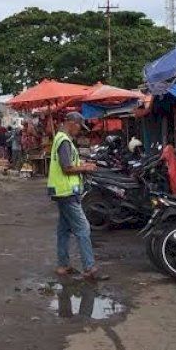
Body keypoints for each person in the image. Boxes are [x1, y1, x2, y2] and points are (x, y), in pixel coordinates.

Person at [47, 112, 107, 280]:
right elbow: (67, 168)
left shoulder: (61, 139)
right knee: (83, 228)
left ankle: (63, 265)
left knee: (64, 229)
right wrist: (85, 168)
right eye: (80, 126)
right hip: (66, 191)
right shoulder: (64, 141)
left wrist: (81, 164)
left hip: (61, 191)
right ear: (72, 123)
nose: (80, 130)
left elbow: (68, 164)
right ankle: (89, 268)